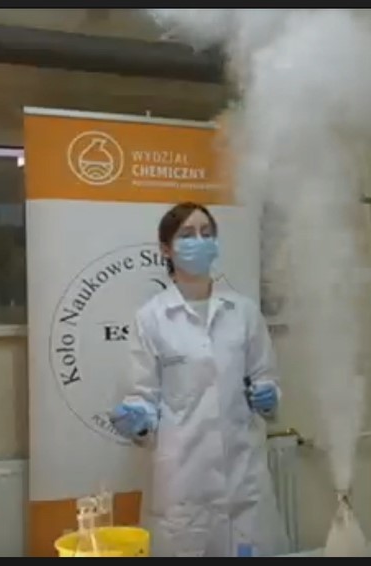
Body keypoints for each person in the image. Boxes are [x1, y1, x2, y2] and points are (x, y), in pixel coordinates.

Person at [108, 202, 288, 557]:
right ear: (166, 249)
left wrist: (269, 396)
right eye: (187, 235)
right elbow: (141, 394)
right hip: (183, 481)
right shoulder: (151, 319)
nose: (200, 241)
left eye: (207, 233)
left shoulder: (243, 312)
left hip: (243, 479)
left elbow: (266, 379)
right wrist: (138, 418)